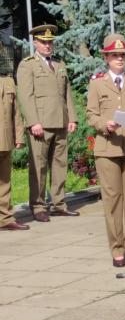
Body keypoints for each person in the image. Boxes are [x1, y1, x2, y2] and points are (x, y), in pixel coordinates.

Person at [86, 34, 125, 267]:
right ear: (107, 58)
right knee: (112, 201)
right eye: (115, 55)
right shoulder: (97, 82)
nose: (120, 59)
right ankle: (117, 248)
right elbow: (91, 115)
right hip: (107, 148)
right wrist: (105, 124)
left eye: (123, 55)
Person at [16, 24, 78, 222]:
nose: (48, 45)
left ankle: (59, 203)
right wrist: (33, 121)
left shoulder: (59, 64)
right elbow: (26, 96)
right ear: (35, 43)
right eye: (44, 42)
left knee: (60, 165)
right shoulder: (28, 65)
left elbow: (66, 92)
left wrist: (72, 117)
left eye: (50, 42)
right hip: (40, 124)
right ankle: (38, 205)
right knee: (39, 166)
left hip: (60, 121)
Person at [0, 72, 28, 231]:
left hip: (5, 139)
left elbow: (16, 112)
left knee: (4, 182)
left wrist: (19, 137)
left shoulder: (8, 81)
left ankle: (5, 218)